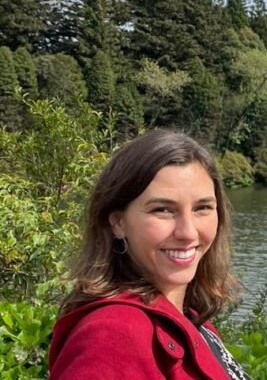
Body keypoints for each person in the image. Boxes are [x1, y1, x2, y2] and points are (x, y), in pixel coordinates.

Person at [48, 130, 250, 379]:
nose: (188, 232)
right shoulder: (111, 337)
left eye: (202, 208)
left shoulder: (189, 317)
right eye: (163, 210)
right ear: (118, 222)